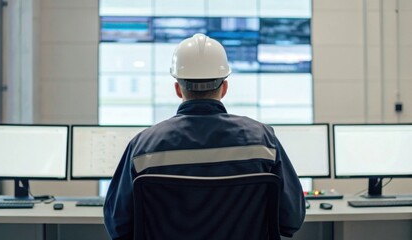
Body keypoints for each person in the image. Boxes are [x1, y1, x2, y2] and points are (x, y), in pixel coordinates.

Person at [104, 33, 305, 239]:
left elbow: (119, 227)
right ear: (224, 88)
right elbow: (291, 220)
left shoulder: (143, 147)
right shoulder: (263, 140)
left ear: (177, 89)